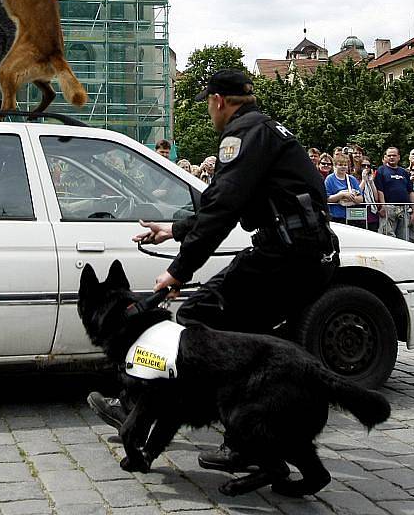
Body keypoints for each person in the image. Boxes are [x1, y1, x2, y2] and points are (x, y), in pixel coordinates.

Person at [87, 69, 338, 472]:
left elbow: (222, 210)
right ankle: (248, 434)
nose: (209, 111)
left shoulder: (243, 136)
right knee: (248, 340)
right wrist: (174, 230)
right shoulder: (264, 129)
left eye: (207, 104)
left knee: (198, 315)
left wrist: (179, 272)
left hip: (286, 256)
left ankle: (202, 427)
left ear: (218, 100)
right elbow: (221, 198)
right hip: (302, 254)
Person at [375, 147, 414, 241]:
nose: (391, 157)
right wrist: (383, 206)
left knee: (405, 239)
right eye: (389, 155)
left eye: (394, 155)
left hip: (405, 209)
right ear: (385, 157)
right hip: (389, 208)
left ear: (399, 157)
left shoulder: (404, 172)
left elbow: (411, 192)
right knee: (387, 239)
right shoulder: (381, 170)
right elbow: (380, 190)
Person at [324, 152, 363, 224]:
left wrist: (351, 197)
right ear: (335, 166)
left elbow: (360, 199)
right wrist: (341, 195)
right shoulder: (329, 179)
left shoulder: (352, 179)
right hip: (335, 216)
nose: (343, 167)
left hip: (351, 216)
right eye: (340, 165)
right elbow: (327, 199)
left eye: (345, 165)